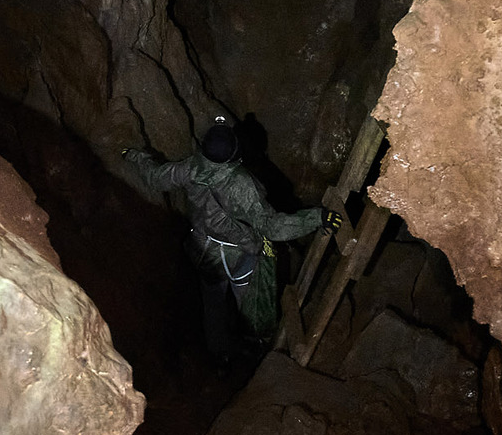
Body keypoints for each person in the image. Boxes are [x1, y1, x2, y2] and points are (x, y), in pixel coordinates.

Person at [124, 116, 341, 361]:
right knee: (249, 305)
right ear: (234, 152)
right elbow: (272, 227)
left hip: (203, 252)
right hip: (238, 255)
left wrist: (133, 155)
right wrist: (315, 218)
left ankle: (219, 355)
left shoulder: (191, 167)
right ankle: (257, 354)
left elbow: (155, 176)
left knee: (213, 303)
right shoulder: (241, 183)